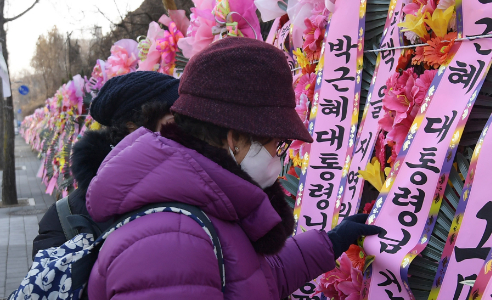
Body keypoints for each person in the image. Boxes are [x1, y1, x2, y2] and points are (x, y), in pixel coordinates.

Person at [85, 37, 381, 300]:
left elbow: (251, 278)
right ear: (236, 140)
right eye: (278, 145)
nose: (280, 158)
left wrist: (332, 242)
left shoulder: (201, 204)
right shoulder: (170, 246)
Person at [32, 71, 180, 256]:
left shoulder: (194, 188)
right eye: (175, 120)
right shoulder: (65, 218)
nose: (187, 129)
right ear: (134, 127)